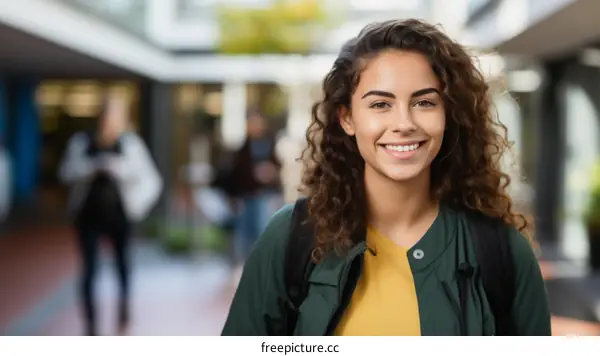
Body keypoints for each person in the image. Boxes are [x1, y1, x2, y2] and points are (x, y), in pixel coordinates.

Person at [221, 19, 551, 336]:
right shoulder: (292, 237)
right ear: (347, 118)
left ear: (448, 114)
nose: (404, 122)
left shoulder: (503, 252)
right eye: (381, 104)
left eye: (424, 102)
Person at [58, 94, 162, 336]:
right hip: (89, 217)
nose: (110, 122)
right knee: (89, 270)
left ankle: (124, 308)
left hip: (120, 216)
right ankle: (91, 323)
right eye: (107, 115)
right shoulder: (82, 142)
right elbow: (66, 172)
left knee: (123, 266)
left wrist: (121, 172)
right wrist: (90, 167)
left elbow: (151, 181)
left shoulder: (131, 145)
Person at [227, 110, 282, 273]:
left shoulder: (270, 144)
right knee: (244, 233)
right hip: (246, 196)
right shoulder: (243, 148)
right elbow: (235, 174)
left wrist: (270, 173)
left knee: (261, 230)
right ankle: (245, 266)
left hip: (264, 196)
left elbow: (277, 167)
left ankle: (261, 267)